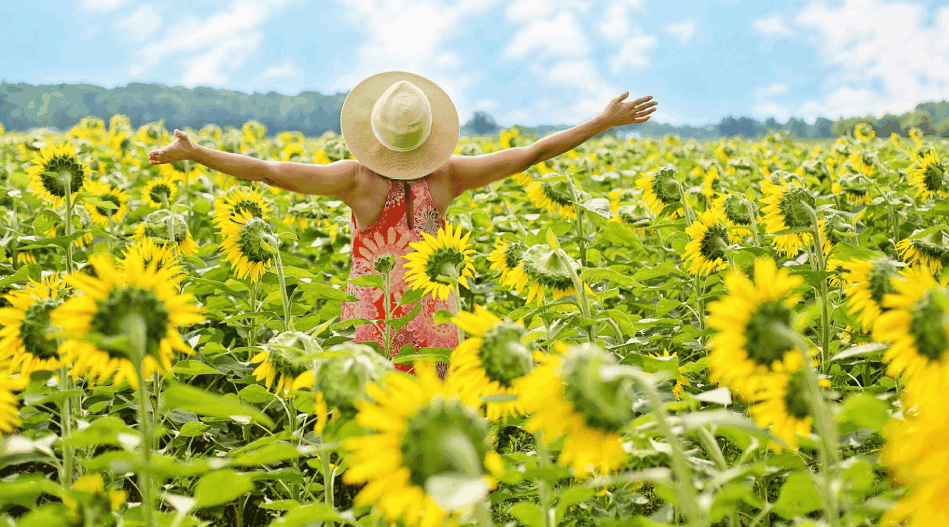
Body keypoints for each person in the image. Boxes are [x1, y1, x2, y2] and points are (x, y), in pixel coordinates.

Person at [149, 70, 657, 376]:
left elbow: (271, 172)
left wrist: (197, 155)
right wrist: (602, 122)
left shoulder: (357, 182)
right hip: (436, 321)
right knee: (430, 425)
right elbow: (529, 154)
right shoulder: (449, 177)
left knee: (374, 421)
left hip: (374, 320)